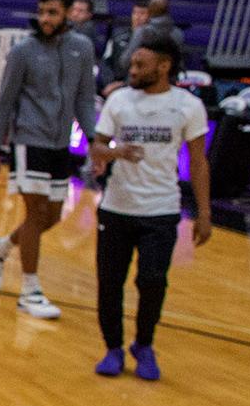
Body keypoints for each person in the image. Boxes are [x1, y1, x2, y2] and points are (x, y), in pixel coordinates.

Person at [86, 34, 211, 381]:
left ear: (164, 65)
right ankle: (112, 347)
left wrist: (204, 213)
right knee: (110, 283)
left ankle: (144, 344)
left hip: (161, 209)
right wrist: (114, 154)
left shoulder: (187, 105)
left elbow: (199, 163)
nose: (133, 69)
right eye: (132, 63)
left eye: (141, 64)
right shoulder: (119, 101)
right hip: (116, 207)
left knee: (153, 280)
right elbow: (95, 148)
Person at [0, 0, 98, 320]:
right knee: (35, 214)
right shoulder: (23, 51)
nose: (45, 19)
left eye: (53, 13)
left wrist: (93, 138)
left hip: (60, 143)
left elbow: (85, 100)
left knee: (52, 217)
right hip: (28, 141)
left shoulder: (82, 48)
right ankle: (30, 290)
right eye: (42, 12)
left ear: (69, 14)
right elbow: (4, 103)